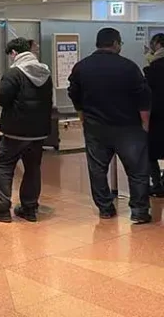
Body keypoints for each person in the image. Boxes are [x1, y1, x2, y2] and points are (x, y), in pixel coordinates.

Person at [68, 27, 152, 224]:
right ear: (115, 43)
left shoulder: (82, 67)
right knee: (137, 171)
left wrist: (82, 114)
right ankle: (139, 211)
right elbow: (143, 96)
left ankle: (105, 208)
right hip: (128, 128)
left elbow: (74, 93)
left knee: (97, 170)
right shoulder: (128, 67)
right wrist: (145, 123)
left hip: (96, 127)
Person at [0, 37, 53, 223]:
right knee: (32, 168)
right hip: (39, 131)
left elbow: (1, 98)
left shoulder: (14, 73)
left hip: (16, 129)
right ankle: (29, 208)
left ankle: (2, 209)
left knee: (3, 165)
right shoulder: (45, 72)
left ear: (14, 53)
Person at [143, 33, 164, 197]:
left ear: (157, 45)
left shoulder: (152, 69)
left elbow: (145, 94)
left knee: (151, 152)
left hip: (156, 117)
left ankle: (157, 184)